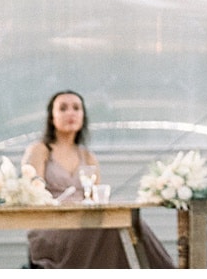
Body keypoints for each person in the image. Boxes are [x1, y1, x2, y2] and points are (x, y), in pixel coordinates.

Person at [23, 90, 173, 269]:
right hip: (51, 225)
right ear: (51, 117)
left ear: (83, 116)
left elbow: (96, 200)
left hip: (85, 222)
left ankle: (165, 270)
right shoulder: (40, 150)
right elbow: (32, 193)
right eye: (63, 108)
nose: (70, 113)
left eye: (76, 108)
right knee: (111, 229)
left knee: (130, 222)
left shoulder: (88, 157)